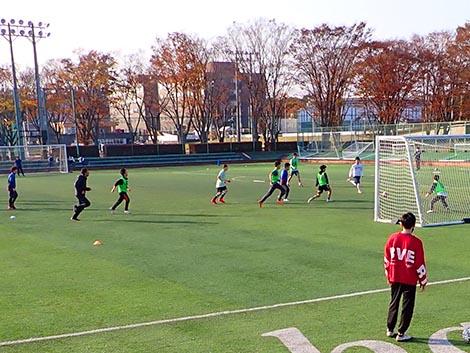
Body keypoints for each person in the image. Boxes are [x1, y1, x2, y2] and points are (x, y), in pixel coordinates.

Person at [384, 212, 427, 342]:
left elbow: (387, 258)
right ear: (414, 225)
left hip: (395, 276)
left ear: (401, 224)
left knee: (394, 302)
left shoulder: (392, 238)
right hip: (409, 278)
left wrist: (388, 273)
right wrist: (423, 280)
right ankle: (401, 333)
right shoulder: (416, 242)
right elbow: (419, 263)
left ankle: (390, 329)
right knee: (407, 306)